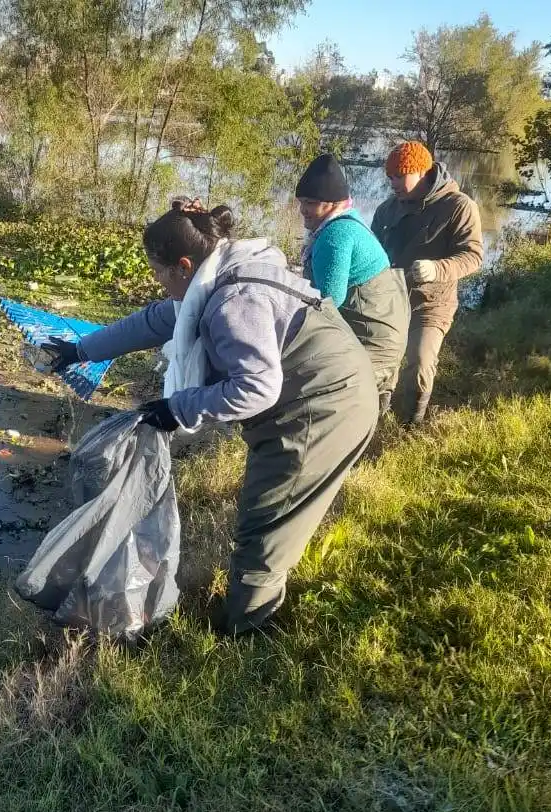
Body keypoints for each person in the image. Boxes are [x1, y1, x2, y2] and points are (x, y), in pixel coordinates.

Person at [43, 198, 378, 634]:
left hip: (325, 404)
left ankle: (242, 642)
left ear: (183, 266)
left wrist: (175, 409)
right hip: (327, 388)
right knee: (271, 521)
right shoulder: (216, 275)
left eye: (159, 273)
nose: (159, 283)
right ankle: (246, 621)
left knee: (264, 531)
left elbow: (257, 387)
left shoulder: (233, 301)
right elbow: (155, 320)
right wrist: (80, 350)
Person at [371, 141, 484, 426]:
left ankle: (411, 425)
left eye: (399, 176)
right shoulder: (386, 210)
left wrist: (437, 269)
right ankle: (375, 421)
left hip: (433, 303)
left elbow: (473, 257)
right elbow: (371, 253)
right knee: (380, 364)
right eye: (390, 177)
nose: (393, 183)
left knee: (419, 363)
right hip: (391, 300)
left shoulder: (459, 206)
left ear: (421, 172)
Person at [296, 153, 410, 413]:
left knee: (339, 403)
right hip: (388, 330)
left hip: (374, 339)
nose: (303, 210)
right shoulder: (348, 221)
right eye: (301, 202)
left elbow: (327, 304)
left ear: (332, 203)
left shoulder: (334, 236)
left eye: (311, 203)